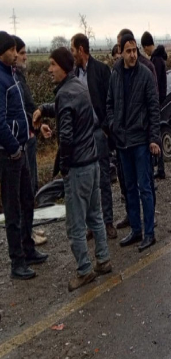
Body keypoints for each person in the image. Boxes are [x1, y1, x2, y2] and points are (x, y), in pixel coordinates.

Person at [43, 47, 112, 291]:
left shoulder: (65, 94)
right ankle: (103, 260)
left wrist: (64, 168)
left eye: (52, 64)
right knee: (95, 216)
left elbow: (67, 137)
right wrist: (44, 108)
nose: (49, 69)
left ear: (63, 66)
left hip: (78, 167)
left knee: (75, 226)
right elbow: (73, 113)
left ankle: (84, 270)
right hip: (92, 163)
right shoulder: (79, 87)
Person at [106, 34, 161, 252]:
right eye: (128, 51)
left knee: (144, 187)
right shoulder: (116, 74)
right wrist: (113, 125)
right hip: (122, 142)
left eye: (134, 51)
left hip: (140, 141)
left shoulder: (146, 75)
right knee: (128, 188)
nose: (132, 55)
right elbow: (109, 103)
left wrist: (154, 138)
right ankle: (136, 229)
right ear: (121, 51)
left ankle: (149, 233)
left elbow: (154, 109)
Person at [0, 31, 48, 280]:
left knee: (28, 200)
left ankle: (28, 249)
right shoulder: (1, 79)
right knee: (13, 209)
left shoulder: (13, 76)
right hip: (9, 155)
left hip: (21, 146)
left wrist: (35, 126)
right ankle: (17, 262)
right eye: (11, 50)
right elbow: (0, 122)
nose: (15, 53)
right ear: (3, 52)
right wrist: (14, 148)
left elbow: (21, 112)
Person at [69, 33, 118, 240]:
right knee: (87, 182)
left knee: (103, 179)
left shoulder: (100, 70)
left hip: (99, 133)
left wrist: (107, 128)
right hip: (81, 137)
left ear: (81, 50)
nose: (72, 55)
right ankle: (92, 225)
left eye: (72, 50)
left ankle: (107, 222)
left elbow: (111, 99)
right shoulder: (73, 74)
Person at [12, 36, 46, 246]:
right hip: (22, 140)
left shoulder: (20, 77)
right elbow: (22, 109)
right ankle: (27, 237)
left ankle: (29, 232)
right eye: (22, 53)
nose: (25, 57)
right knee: (24, 191)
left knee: (30, 187)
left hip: (31, 135)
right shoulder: (10, 79)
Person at [141, 32, 167, 180]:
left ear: (146, 46)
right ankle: (160, 167)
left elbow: (154, 85)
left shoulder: (156, 60)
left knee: (155, 134)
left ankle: (160, 168)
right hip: (161, 101)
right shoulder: (160, 58)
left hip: (156, 102)